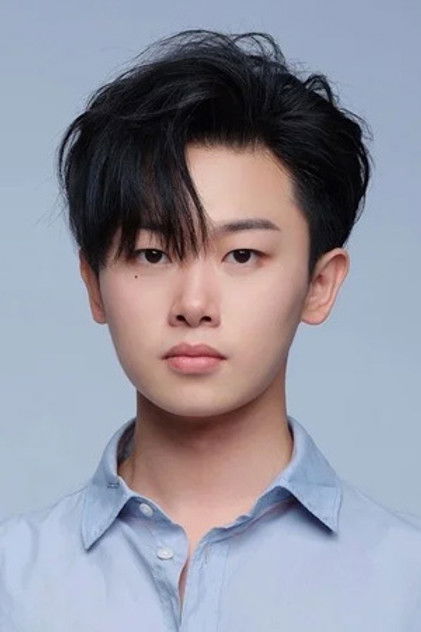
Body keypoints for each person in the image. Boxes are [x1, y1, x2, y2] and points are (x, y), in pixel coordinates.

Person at [1, 28, 420, 631]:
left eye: (242, 255)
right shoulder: (12, 583)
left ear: (320, 284)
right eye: (151, 254)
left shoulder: (407, 586)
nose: (194, 305)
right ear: (94, 284)